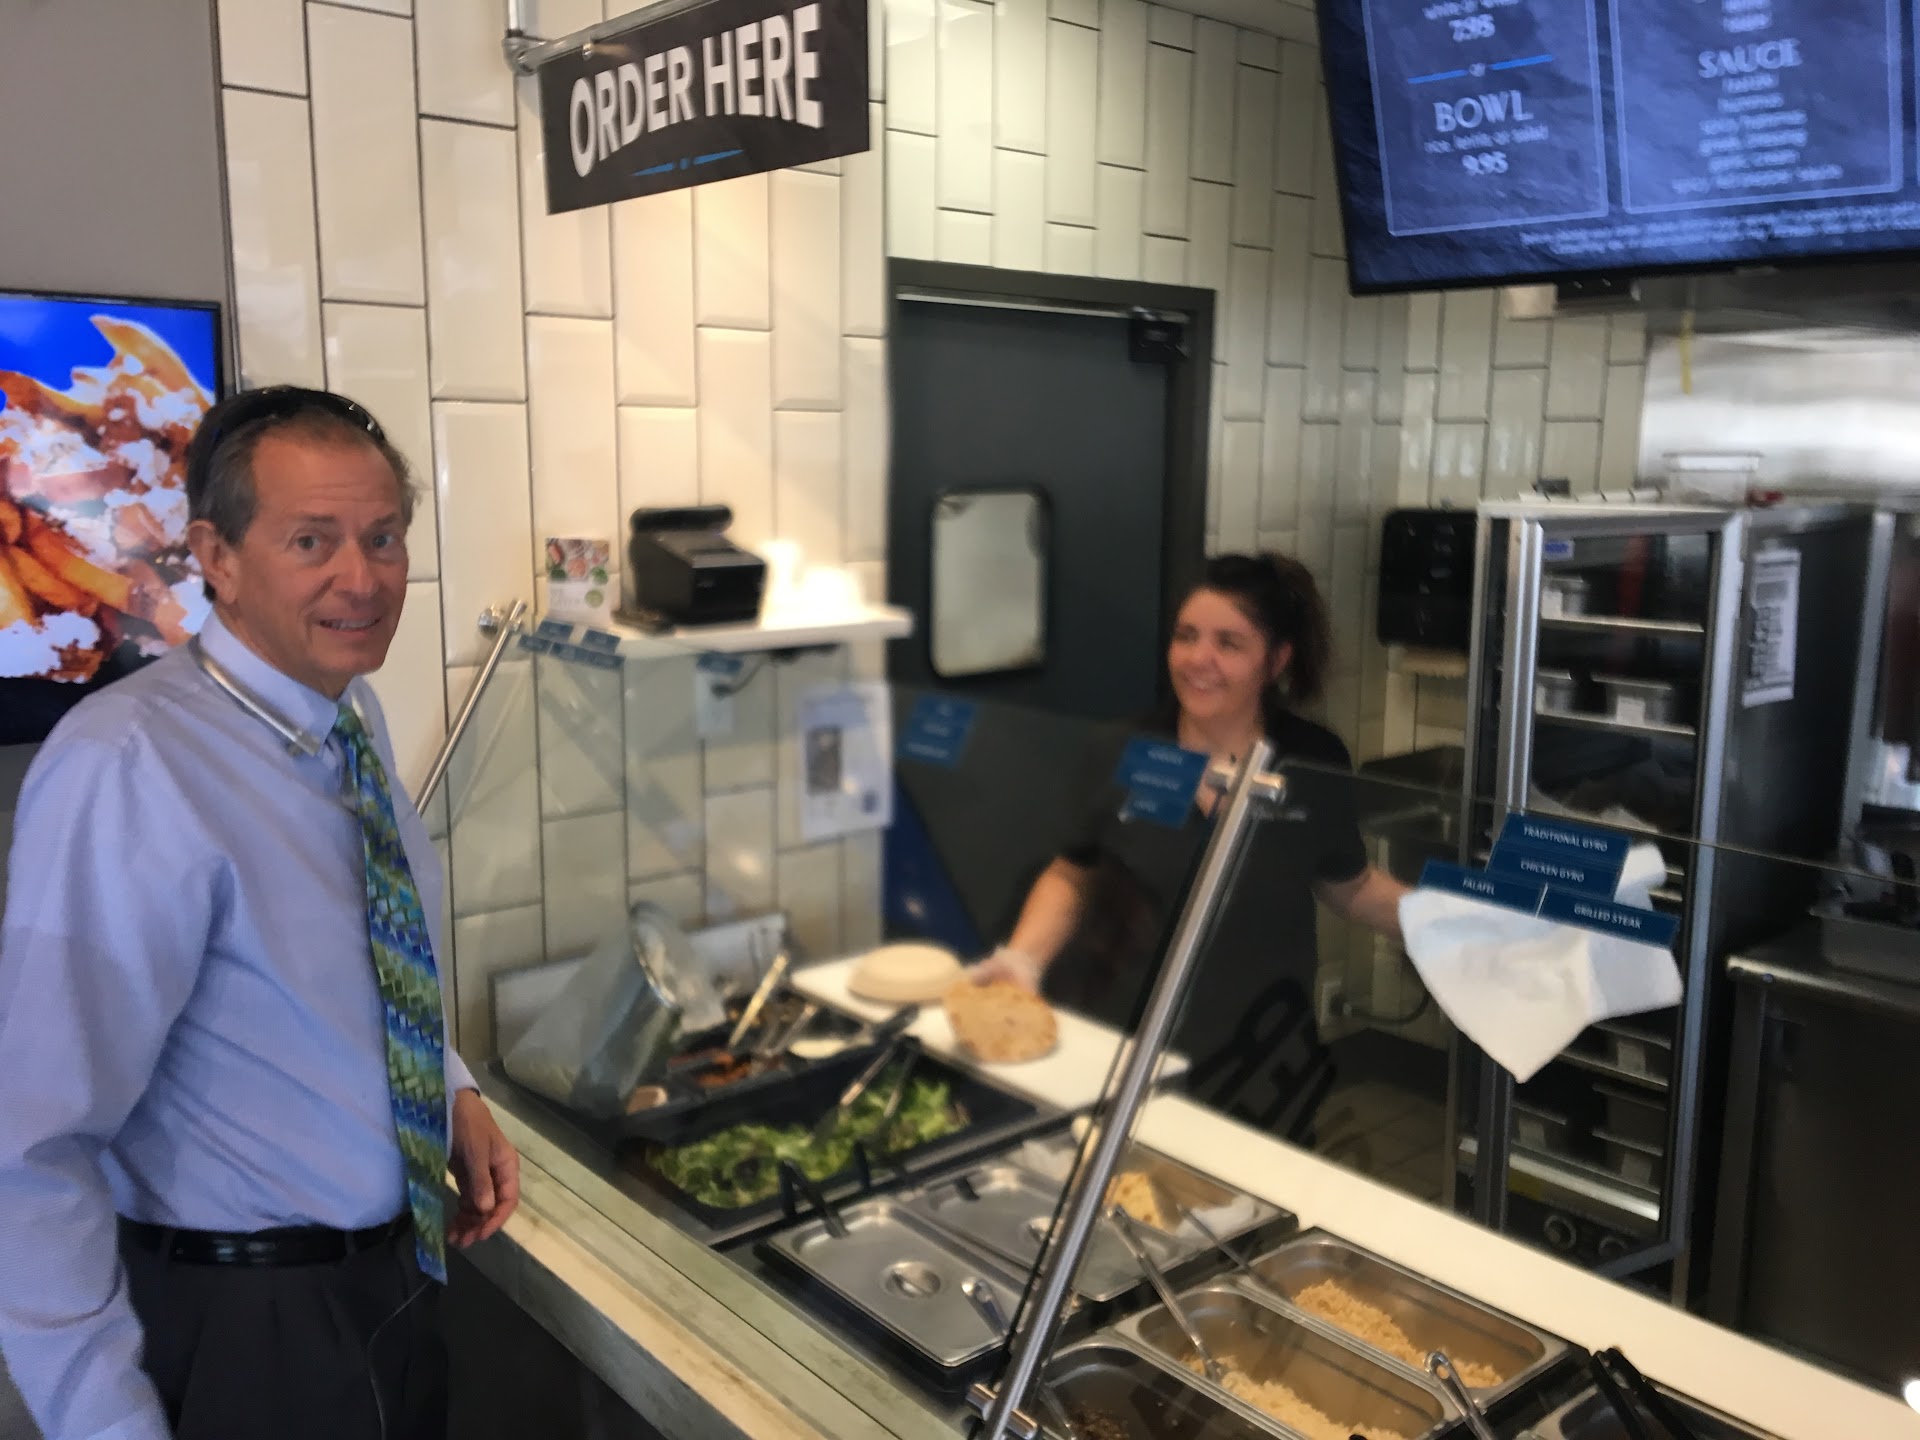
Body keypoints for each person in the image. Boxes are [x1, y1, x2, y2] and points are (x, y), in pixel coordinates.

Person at [0, 386, 520, 1440]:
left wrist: (450, 1088)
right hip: (245, 1324)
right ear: (217, 557)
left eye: (383, 538)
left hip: (393, 1284)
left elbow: (355, 963)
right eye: (311, 541)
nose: (362, 579)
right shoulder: (127, 766)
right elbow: (30, 1148)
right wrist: (107, 1426)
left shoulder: (347, 712)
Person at [974, 552, 1410, 1139]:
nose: (1198, 659)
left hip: (1261, 1055)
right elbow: (1074, 872)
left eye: (1229, 643)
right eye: (1186, 636)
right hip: (1131, 1049)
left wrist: (1450, 929)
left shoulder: (1313, 760)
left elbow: (1348, 885)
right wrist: (1023, 959)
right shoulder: (1125, 748)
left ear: (1276, 660)